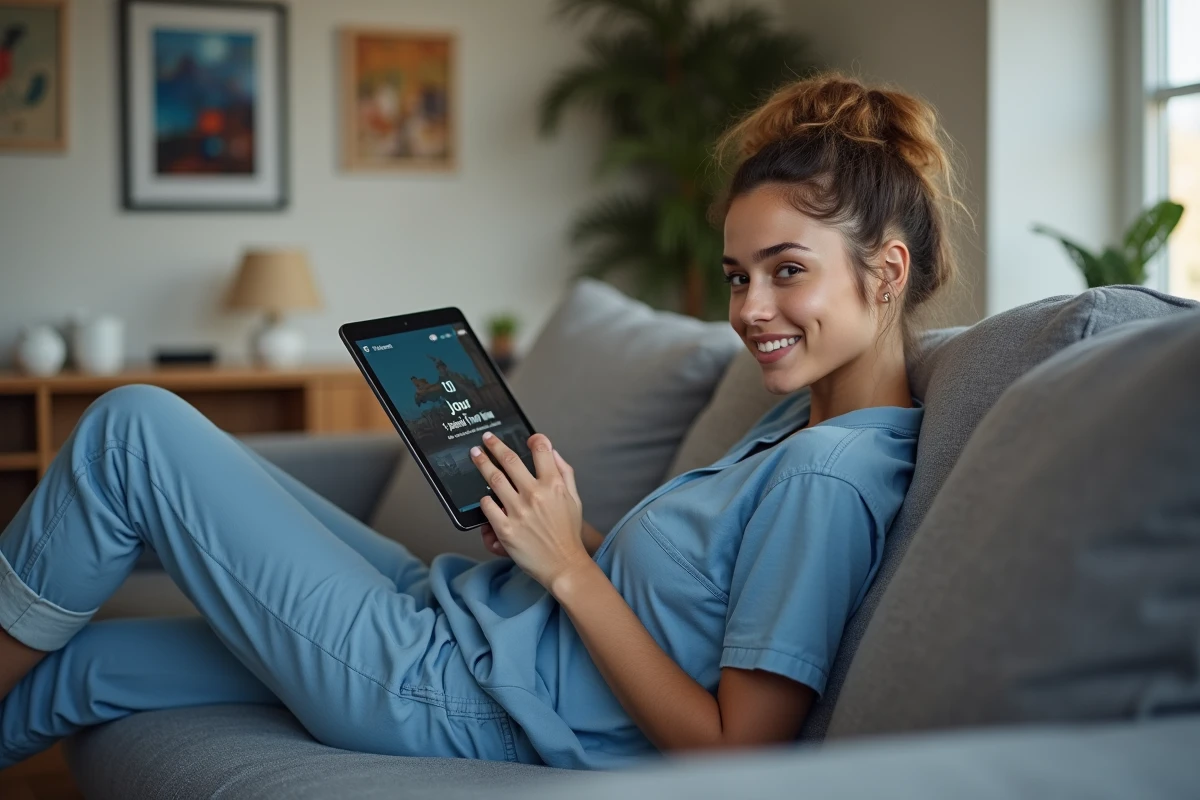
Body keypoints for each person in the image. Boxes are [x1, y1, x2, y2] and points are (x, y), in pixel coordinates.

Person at [0, 72, 962, 770]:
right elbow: (677, 610)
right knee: (90, 668)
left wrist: (570, 569)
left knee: (134, 430)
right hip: (463, 620)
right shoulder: (790, 424)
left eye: (786, 270)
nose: (751, 309)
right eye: (737, 276)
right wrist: (553, 524)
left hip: (452, 690)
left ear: (885, 272)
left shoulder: (832, 474)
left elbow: (732, 748)